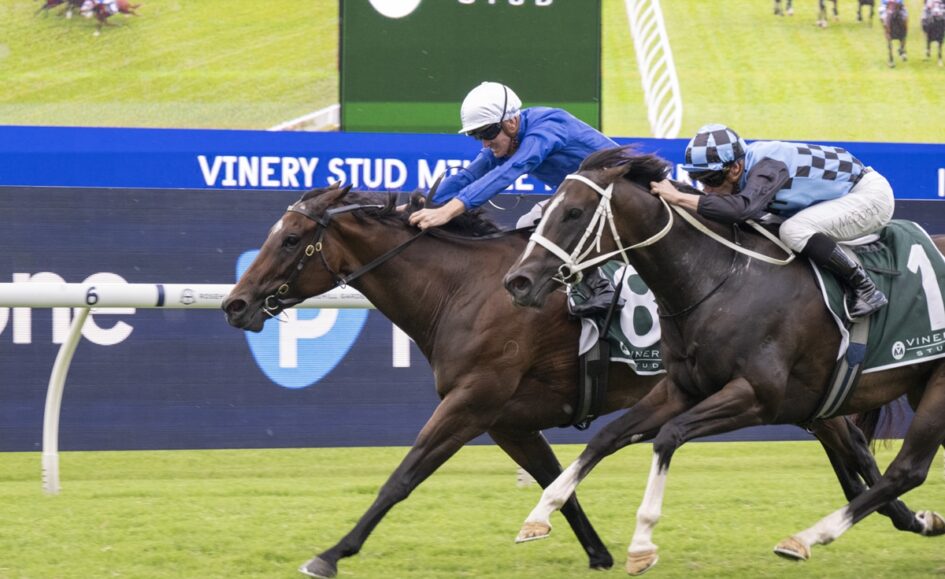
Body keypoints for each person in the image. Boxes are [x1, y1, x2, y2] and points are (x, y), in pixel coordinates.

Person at [650, 124, 894, 320]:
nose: (706, 189)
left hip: (869, 196)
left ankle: (865, 287)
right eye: (699, 179)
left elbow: (741, 209)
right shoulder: (746, 165)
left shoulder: (768, 166)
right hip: (842, 193)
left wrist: (679, 197)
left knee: (793, 230)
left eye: (711, 179)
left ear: (735, 168)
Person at [408, 81, 617, 230]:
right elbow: (467, 176)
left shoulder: (546, 128)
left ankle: (610, 280)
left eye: (487, 133)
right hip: (589, 198)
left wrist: (448, 211)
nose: (485, 143)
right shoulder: (508, 139)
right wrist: (420, 205)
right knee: (527, 226)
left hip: (623, 193)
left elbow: (512, 168)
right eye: (477, 135)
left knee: (541, 226)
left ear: (511, 122)